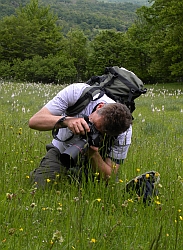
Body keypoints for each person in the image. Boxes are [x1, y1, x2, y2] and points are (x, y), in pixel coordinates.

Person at [29, 82, 132, 187]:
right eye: (93, 125)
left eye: (101, 133)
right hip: (62, 151)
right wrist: (66, 121)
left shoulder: (124, 132)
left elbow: (110, 176)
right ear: (99, 107)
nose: (92, 131)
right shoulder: (77, 93)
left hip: (94, 160)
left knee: (100, 191)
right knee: (40, 186)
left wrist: (93, 154)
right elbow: (34, 122)